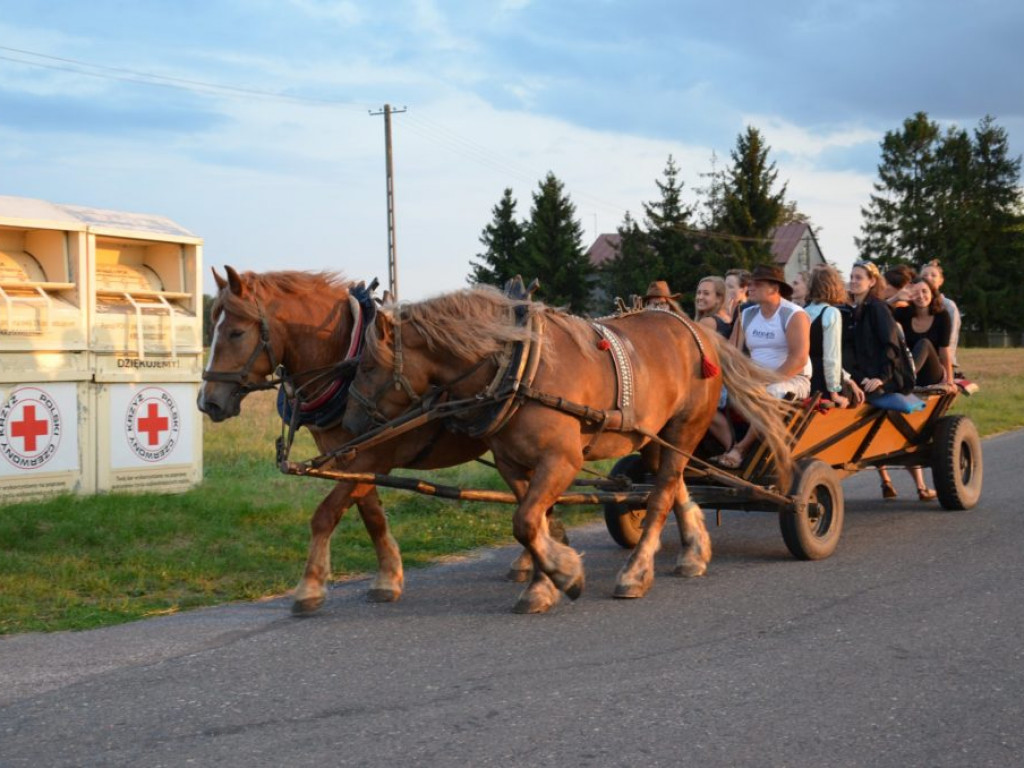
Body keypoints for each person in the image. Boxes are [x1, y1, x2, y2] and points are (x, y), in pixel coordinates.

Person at [844, 260, 937, 501]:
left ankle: (911, 479)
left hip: (889, 375)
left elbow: (890, 346)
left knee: (877, 402)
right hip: (865, 376)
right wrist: (860, 377)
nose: (854, 281)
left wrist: (881, 378)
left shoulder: (877, 308)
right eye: (852, 276)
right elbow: (851, 352)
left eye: (859, 277)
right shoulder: (852, 310)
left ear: (872, 281)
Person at [712, 264, 810, 469]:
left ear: (774, 289)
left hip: (791, 379)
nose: (750, 288)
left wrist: (763, 380)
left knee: (769, 392)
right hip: (755, 377)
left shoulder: (793, 314)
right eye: (750, 284)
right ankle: (727, 445)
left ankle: (741, 450)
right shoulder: (747, 314)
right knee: (711, 393)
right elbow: (731, 352)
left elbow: (798, 359)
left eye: (757, 284)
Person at [803, 265, 858, 409]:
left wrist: (847, 378)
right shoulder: (831, 313)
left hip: (804, 377)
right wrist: (834, 393)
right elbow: (831, 358)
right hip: (822, 382)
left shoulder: (801, 312)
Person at [893, 276, 954, 390]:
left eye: (924, 291)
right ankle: (904, 377)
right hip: (911, 371)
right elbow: (878, 316)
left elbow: (944, 350)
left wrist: (950, 380)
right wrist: (895, 298)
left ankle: (906, 377)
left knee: (924, 343)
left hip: (932, 372)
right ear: (910, 295)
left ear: (932, 293)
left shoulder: (942, 316)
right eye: (915, 292)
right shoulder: (902, 313)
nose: (920, 296)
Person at [920, 260, 961, 371]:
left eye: (933, 275)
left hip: (940, 363)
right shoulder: (914, 304)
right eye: (924, 275)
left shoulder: (948, 306)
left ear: (941, 281)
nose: (928, 277)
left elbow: (951, 339)